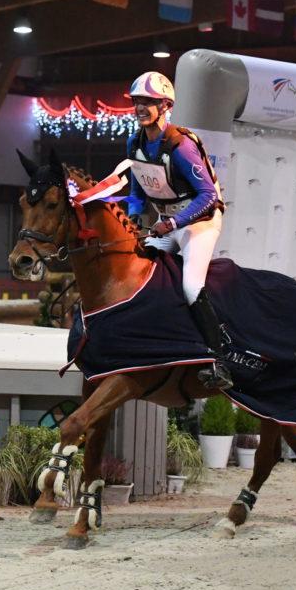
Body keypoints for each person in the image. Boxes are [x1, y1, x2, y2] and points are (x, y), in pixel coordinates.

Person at [124, 71, 231, 390]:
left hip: (199, 222)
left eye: (148, 102)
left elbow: (209, 196)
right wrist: (132, 217)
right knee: (138, 271)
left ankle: (220, 360)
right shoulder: (135, 142)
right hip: (165, 223)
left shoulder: (181, 146)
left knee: (190, 286)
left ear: (165, 105)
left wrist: (171, 224)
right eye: (137, 102)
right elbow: (136, 190)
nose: (140, 107)